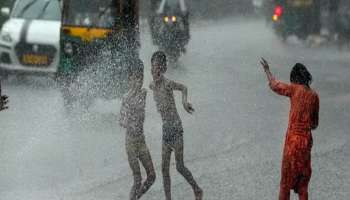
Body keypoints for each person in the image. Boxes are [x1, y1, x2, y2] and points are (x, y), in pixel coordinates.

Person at [260, 58, 319, 200]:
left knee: (285, 184)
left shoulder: (293, 89)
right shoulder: (314, 96)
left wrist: (267, 70)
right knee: (303, 185)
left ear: (294, 78)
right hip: (306, 142)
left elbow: (275, 85)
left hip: (292, 142)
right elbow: (314, 125)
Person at [149, 51, 203, 200]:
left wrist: (184, 102)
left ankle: (197, 189)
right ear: (150, 69)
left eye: (160, 68)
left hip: (176, 128)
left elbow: (184, 88)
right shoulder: (152, 86)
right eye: (154, 68)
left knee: (179, 166)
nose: (157, 71)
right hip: (166, 129)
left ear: (164, 69)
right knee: (164, 170)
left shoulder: (167, 84)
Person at [119, 59, 156, 200]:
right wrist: (128, 121)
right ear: (129, 79)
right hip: (131, 143)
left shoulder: (143, 93)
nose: (138, 81)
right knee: (137, 179)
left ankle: (136, 197)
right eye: (135, 78)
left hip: (142, 141)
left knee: (152, 176)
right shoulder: (126, 98)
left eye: (140, 78)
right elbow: (121, 121)